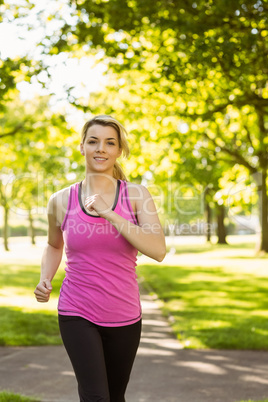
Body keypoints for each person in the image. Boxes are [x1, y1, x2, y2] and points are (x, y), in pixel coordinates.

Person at [34, 114, 166, 402]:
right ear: (82, 147)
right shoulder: (60, 200)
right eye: (93, 141)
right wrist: (45, 278)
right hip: (76, 311)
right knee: (96, 397)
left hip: (124, 314)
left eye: (110, 143)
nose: (101, 149)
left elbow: (157, 250)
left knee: (115, 397)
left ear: (119, 151)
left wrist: (110, 213)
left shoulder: (136, 195)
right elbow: (54, 245)